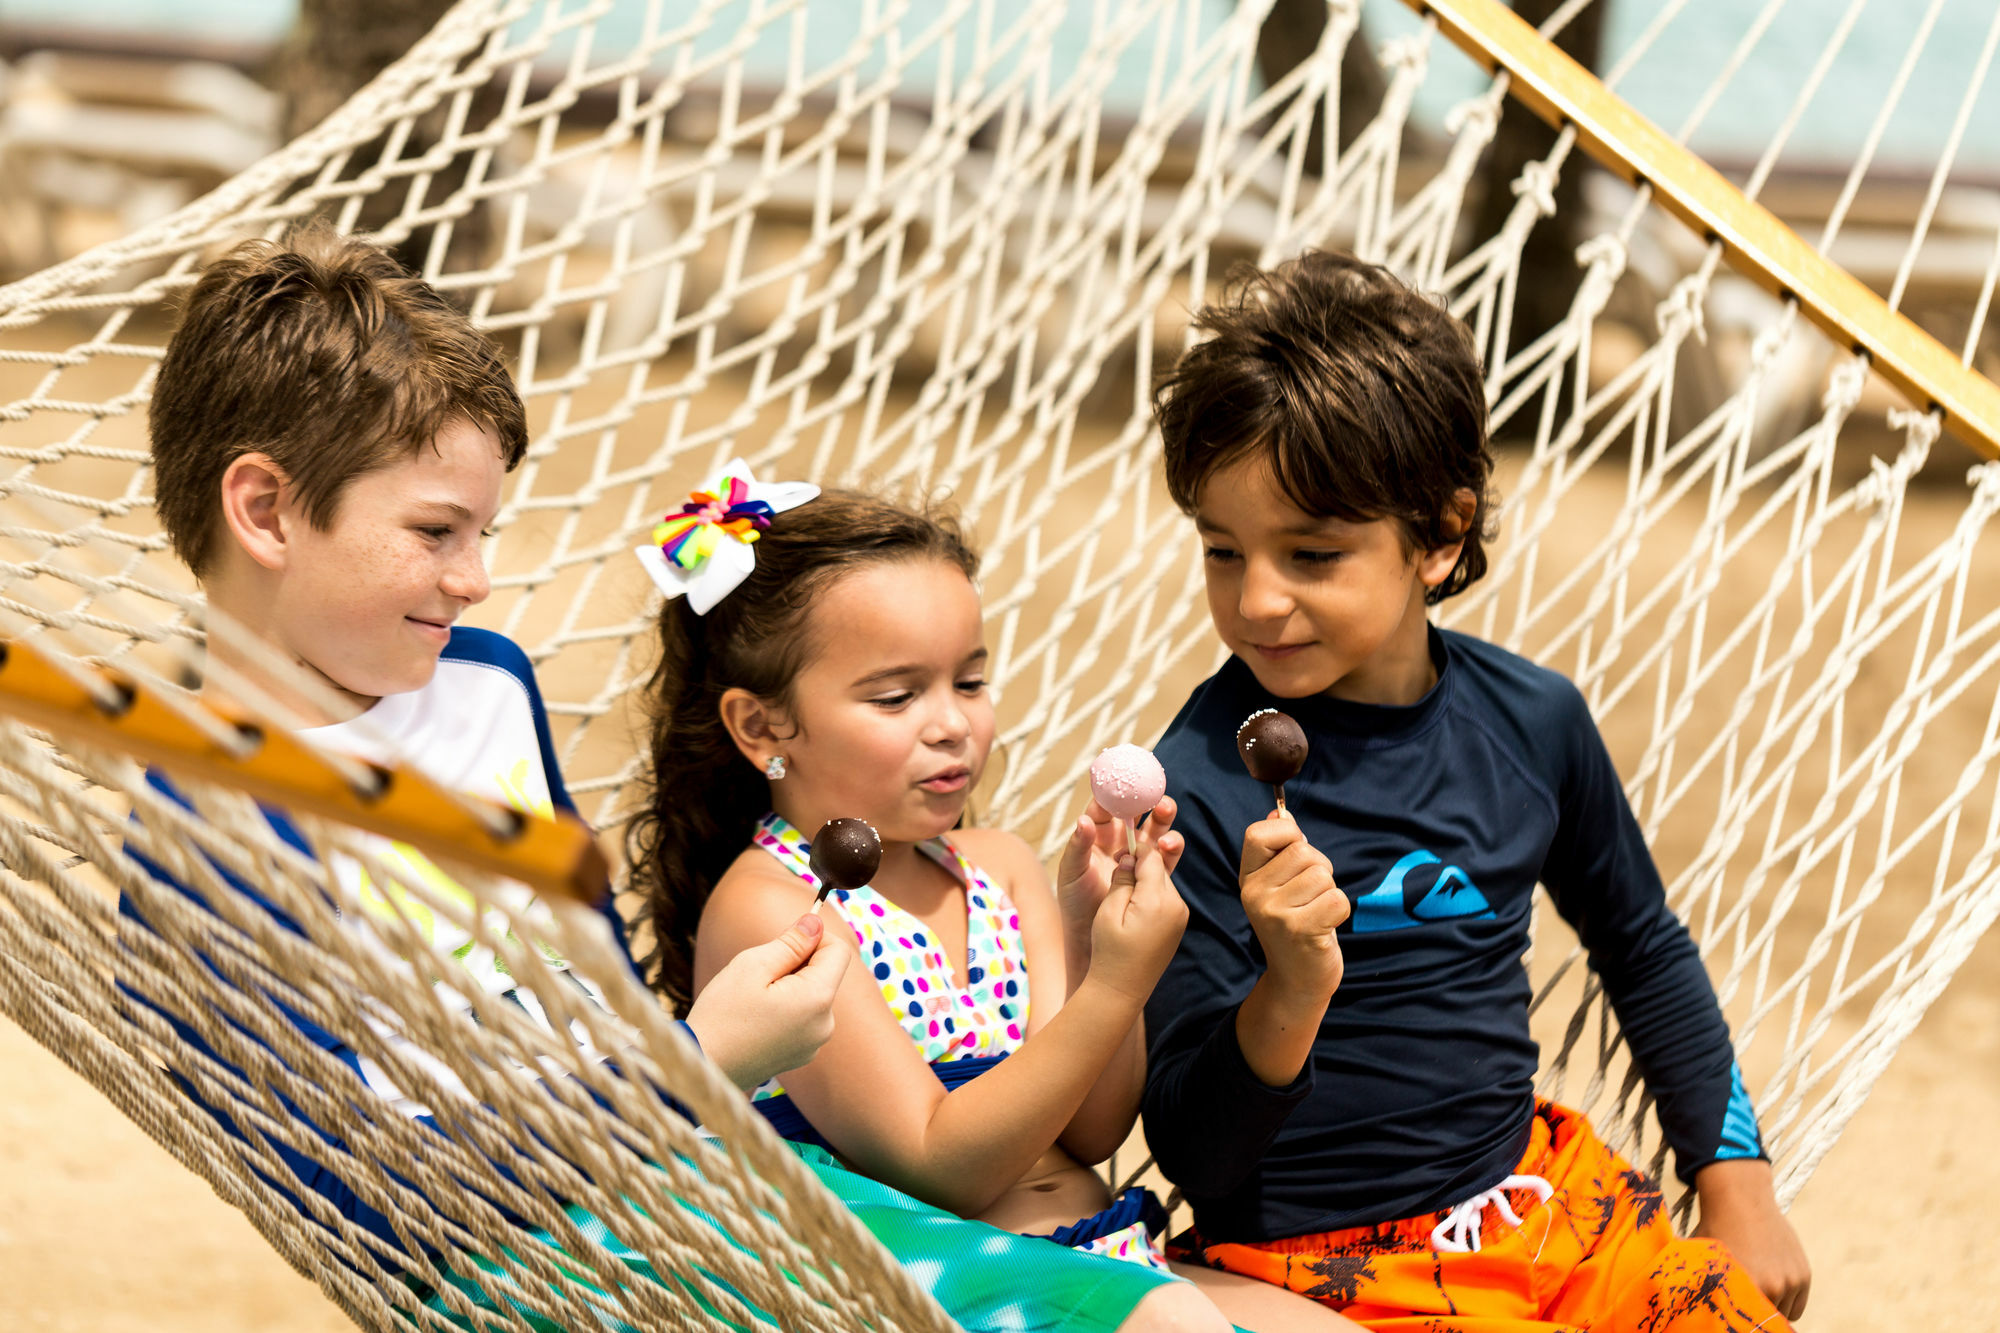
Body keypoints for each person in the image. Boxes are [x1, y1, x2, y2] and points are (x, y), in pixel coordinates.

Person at [118, 226, 1234, 1332]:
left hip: (712, 1171)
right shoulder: (202, 831)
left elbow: (594, 965)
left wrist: (698, 1067)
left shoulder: (489, 684)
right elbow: (346, 1191)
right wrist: (708, 1056)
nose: (476, 576)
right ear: (264, 510)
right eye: (435, 531)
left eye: (484, 529)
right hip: (533, 1256)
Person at [1138, 250, 1813, 1331]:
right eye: (1222, 551)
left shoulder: (1529, 722)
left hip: (1540, 1214)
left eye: (1311, 555)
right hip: (1313, 1270)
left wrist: (1734, 1179)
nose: (1255, 599)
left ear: (1439, 538)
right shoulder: (1197, 786)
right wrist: (1292, 987)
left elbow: (1639, 945)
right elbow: (1193, 1149)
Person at [631, 481, 1362, 1333]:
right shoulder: (775, 908)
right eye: (896, 696)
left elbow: (1089, 1130)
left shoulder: (1001, 866)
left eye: (969, 681)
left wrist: (1092, 944)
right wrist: (1115, 991)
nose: (952, 724)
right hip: (934, 1296)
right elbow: (940, 1167)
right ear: (762, 728)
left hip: (1104, 1252)